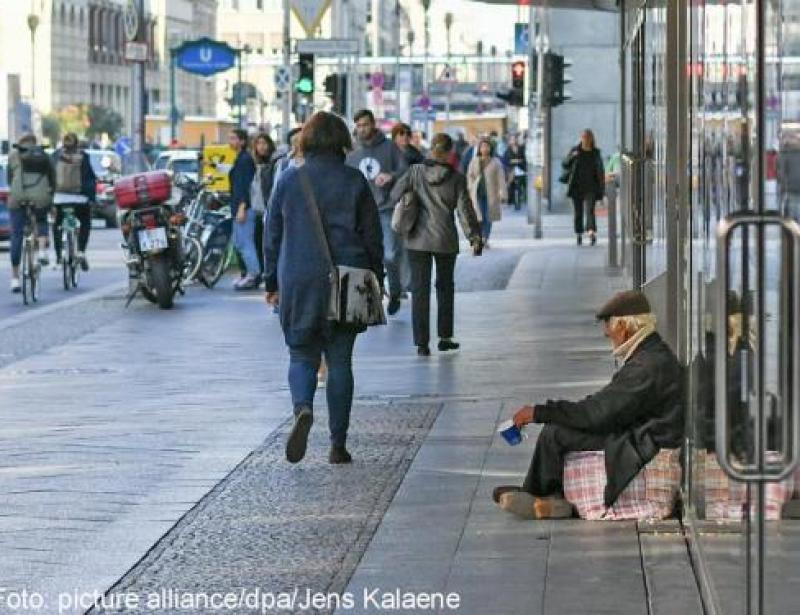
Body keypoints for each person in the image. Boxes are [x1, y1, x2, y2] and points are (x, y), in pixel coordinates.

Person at [493, 291, 684, 520]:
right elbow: (604, 404)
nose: (607, 333)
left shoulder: (646, 365)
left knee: (555, 433)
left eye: (608, 328)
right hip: (642, 431)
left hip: (645, 439)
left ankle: (541, 494)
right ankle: (544, 494)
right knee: (559, 429)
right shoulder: (649, 354)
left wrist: (540, 412)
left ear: (623, 327)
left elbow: (597, 414)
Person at [264, 111, 384, 465]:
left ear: (307, 141)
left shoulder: (288, 181)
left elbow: (272, 236)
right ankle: (338, 444)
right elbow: (372, 235)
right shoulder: (354, 180)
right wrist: (377, 276)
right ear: (343, 141)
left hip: (299, 279)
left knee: (301, 354)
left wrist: (271, 281)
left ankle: (302, 408)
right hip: (348, 277)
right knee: (340, 361)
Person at [390, 133, 483, 356]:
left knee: (420, 291)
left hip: (417, 240)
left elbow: (394, 193)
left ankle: (422, 344)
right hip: (445, 240)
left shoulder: (415, 172)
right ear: (450, 152)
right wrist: (474, 237)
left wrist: (411, 194)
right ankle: (444, 337)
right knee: (445, 287)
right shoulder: (456, 178)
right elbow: (464, 211)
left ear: (431, 149)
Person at [346, 109, 408, 315]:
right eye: (359, 125)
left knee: (390, 254)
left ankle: (396, 290)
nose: (362, 129)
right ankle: (372, 296)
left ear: (373, 124)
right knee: (365, 256)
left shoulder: (390, 148)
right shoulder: (352, 153)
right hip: (361, 212)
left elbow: (405, 171)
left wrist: (391, 176)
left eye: (365, 124)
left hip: (386, 208)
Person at [7, 134, 55, 292]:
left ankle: (14, 278)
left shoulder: (13, 156)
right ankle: (41, 251)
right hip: (39, 197)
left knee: (16, 235)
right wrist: (50, 197)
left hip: (17, 198)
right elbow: (52, 179)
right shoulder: (43, 155)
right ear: (35, 143)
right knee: (41, 220)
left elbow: (9, 179)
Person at [52, 132, 97, 270]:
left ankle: (59, 256)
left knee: (57, 225)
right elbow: (90, 178)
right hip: (80, 199)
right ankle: (81, 251)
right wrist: (92, 198)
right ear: (77, 143)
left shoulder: (55, 156)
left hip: (59, 199)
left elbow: (50, 176)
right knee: (85, 222)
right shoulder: (84, 156)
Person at [227, 128, 260, 290]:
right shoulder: (240, 158)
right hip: (238, 207)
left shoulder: (245, 160)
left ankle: (253, 274)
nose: (230, 142)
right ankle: (250, 273)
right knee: (240, 241)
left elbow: (245, 187)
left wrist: (242, 207)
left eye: (234, 138)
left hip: (244, 208)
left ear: (242, 141)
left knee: (245, 242)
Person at [562, 129, 605, 246]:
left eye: (587, 137)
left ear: (591, 139)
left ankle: (591, 232)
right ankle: (579, 233)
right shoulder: (575, 151)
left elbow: (600, 172)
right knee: (578, 212)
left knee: (590, 211)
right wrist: (572, 157)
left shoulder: (596, 153)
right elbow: (565, 164)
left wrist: (602, 189)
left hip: (591, 187)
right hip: (576, 186)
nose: (584, 139)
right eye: (583, 137)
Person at [467, 138, 507, 248]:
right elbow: (470, 176)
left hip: (491, 194)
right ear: (479, 148)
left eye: (487, 146)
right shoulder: (474, 161)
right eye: (482, 146)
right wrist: (470, 187)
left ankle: (485, 238)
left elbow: (501, 178)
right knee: (478, 217)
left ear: (490, 148)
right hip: (477, 193)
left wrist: (503, 194)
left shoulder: (495, 162)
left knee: (488, 217)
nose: (484, 148)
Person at [252, 132, 277, 279]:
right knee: (258, 242)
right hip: (258, 210)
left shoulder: (274, 163)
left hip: (269, 209)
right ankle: (262, 271)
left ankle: (267, 273)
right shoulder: (254, 164)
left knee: (268, 243)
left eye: (264, 143)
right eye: (258, 143)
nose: (261, 147)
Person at [503, 134, 527, 208]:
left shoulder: (521, 148)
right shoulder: (507, 150)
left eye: (514, 139)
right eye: (512, 139)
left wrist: (516, 161)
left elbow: (524, 159)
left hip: (521, 170)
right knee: (511, 186)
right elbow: (506, 160)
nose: (513, 141)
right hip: (511, 170)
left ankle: (519, 202)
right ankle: (511, 201)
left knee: (520, 187)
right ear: (509, 141)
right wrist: (516, 161)